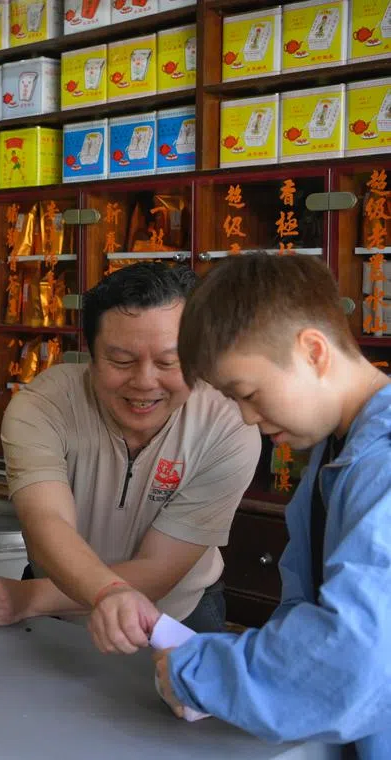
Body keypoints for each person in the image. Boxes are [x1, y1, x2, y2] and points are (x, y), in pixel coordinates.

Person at [0, 263, 260, 651]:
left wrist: (29, 598)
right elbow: (47, 521)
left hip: (177, 613)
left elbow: (158, 572)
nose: (145, 382)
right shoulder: (43, 405)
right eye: (122, 361)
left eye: (168, 362)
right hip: (53, 609)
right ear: (90, 356)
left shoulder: (228, 427)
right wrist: (97, 593)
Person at [154, 254, 391, 757]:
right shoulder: (337, 451)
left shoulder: (383, 466)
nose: (245, 418)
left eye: (249, 393)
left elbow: (353, 661)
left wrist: (198, 672)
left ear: (313, 351)